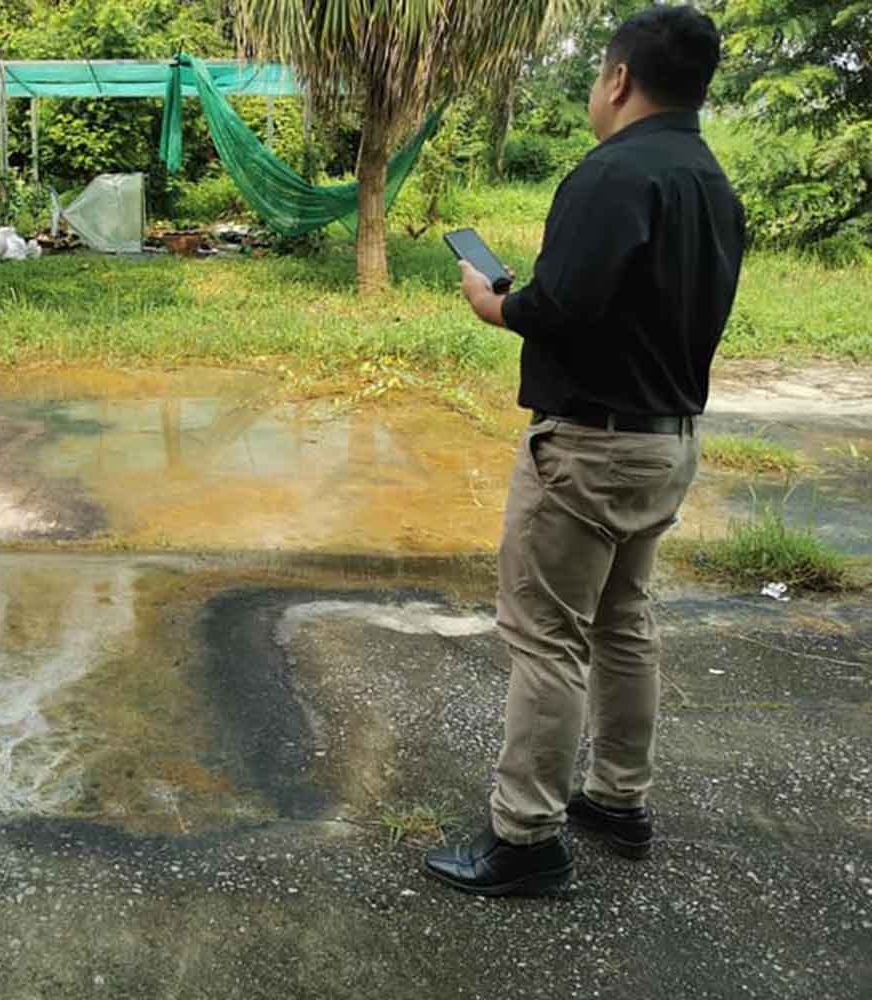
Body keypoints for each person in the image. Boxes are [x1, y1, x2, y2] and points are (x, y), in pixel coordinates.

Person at [424, 5, 746, 896]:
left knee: (547, 638)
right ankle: (617, 799)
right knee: (625, 621)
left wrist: (492, 300)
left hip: (591, 450)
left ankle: (525, 838)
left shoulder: (612, 173)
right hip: (666, 443)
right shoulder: (711, 183)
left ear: (617, 79)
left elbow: (556, 309)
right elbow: (626, 304)